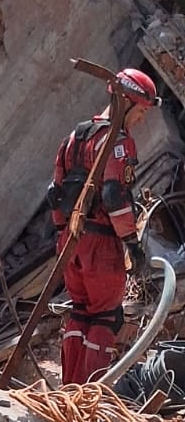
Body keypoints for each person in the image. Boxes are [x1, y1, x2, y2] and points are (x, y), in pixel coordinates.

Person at [49, 67, 160, 385]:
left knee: (80, 312)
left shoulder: (75, 137)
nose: (141, 120)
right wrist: (132, 243)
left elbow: (54, 192)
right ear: (127, 103)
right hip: (101, 246)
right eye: (141, 112)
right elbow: (114, 195)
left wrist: (63, 235)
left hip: (71, 244)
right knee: (106, 316)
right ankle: (90, 399)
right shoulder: (119, 142)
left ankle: (69, 390)